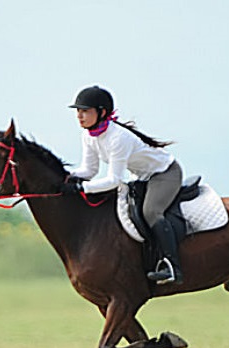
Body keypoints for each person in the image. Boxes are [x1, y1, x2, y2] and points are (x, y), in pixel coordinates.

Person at [61, 85, 185, 284]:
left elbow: (114, 181)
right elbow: (89, 171)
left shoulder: (118, 138)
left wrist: (80, 188)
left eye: (85, 111)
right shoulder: (89, 135)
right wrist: (65, 177)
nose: (79, 116)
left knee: (151, 212)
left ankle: (172, 267)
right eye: (78, 111)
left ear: (101, 112)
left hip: (165, 174)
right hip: (143, 177)